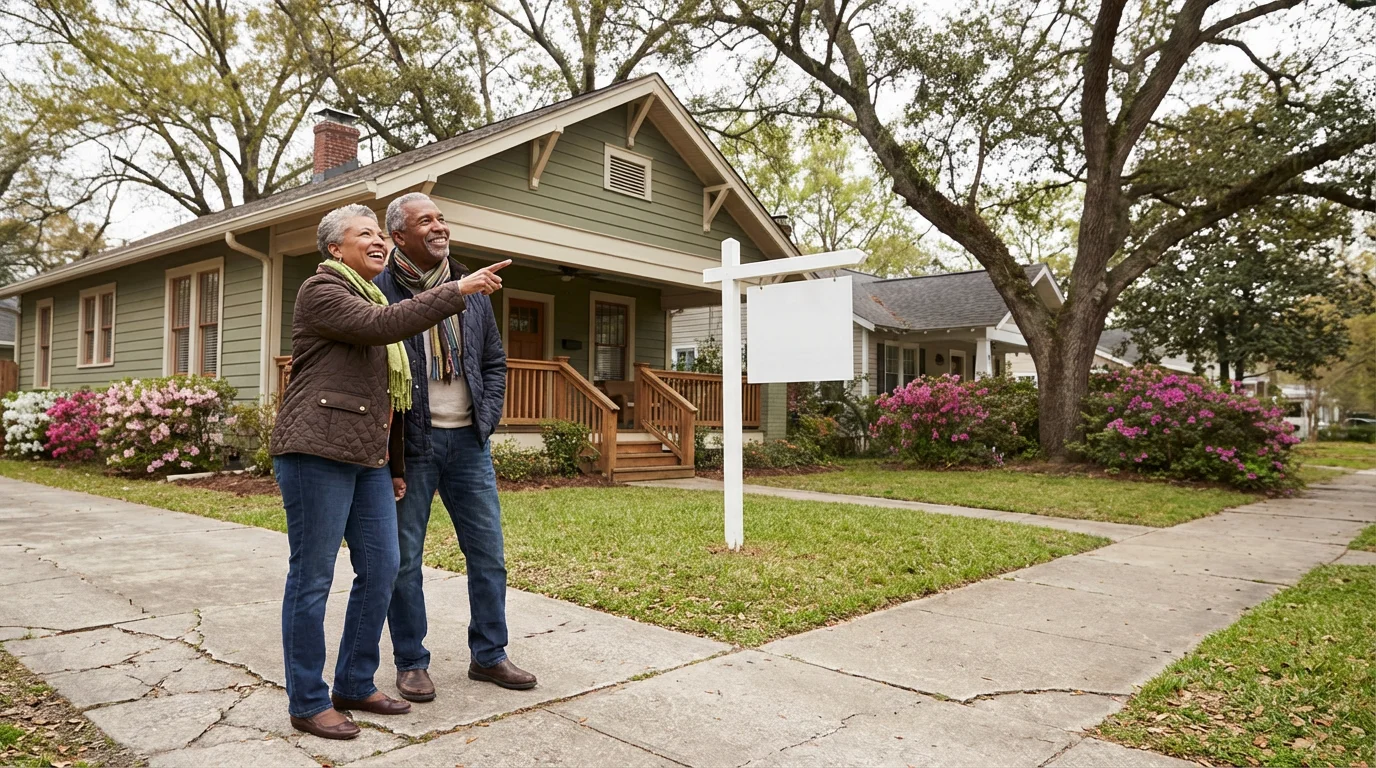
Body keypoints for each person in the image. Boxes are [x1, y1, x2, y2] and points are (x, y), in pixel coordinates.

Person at [271, 203, 508, 740]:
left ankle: (354, 681)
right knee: (312, 578)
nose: (378, 241)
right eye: (365, 235)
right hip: (315, 452)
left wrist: (396, 465)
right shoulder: (323, 291)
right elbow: (382, 327)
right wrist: (458, 291)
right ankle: (307, 700)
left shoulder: (375, 293)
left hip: (369, 457)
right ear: (335, 248)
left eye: (380, 234)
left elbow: (390, 398)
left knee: (383, 568)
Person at [376, 192, 536, 702]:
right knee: (405, 560)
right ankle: (411, 662)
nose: (440, 227)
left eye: (442, 218)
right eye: (426, 221)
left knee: (488, 554)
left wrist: (485, 419)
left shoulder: (475, 292)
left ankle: (489, 655)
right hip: (414, 445)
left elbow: (493, 361)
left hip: (469, 443)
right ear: (399, 235)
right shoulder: (380, 292)